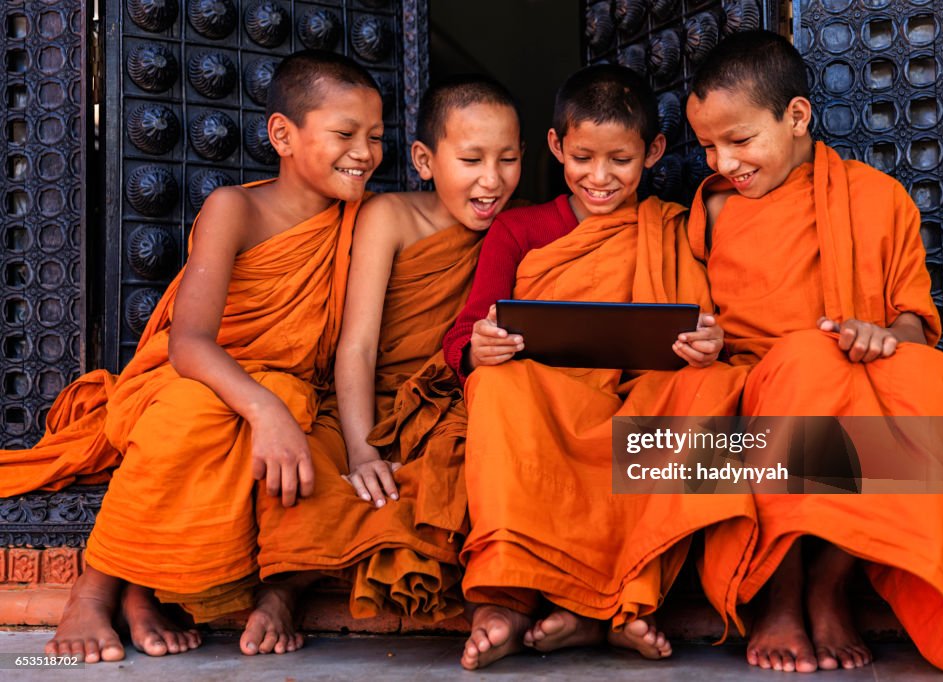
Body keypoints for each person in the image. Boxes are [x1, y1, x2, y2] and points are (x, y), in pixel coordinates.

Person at [0, 50, 384, 662]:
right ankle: (95, 592)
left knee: (324, 467)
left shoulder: (364, 222)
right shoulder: (237, 208)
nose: (364, 152)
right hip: (197, 378)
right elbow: (190, 343)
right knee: (190, 416)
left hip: (295, 392)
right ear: (282, 134)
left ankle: (180, 590)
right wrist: (264, 409)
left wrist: (279, 409)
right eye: (345, 134)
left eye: (375, 137)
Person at [685, 29, 943, 673]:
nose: (724, 163)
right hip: (755, 382)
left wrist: (882, 336)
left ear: (796, 116)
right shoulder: (712, 212)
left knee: (925, 375)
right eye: (708, 146)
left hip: (858, 371)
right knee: (802, 364)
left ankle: (829, 584)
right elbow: (689, 312)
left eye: (739, 140)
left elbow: (915, 325)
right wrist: (702, 338)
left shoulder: (878, 198)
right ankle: (781, 592)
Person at [443, 64, 752, 670]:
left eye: (621, 160)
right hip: (548, 402)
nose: (600, 177)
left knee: (713, 387)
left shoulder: (672, 227)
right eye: (583, 157)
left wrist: (706, 345)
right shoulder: (520, 229)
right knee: (499, 385)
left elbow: (702, 322)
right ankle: (507, 599)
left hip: (639, 400)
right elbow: (465, 330)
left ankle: (621, 600)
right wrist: (477, 348)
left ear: (654, 152)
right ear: (557, 146)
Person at [253, 75, 522, 623]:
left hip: (451, 408)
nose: (491, 180)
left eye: (509, 159)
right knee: (307, 476)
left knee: (463, 474)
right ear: (424, 160)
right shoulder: (392, 217)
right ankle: (283, 591)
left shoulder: (519, 231)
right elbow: (358, 346)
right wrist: (361, 450)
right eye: (471, 160)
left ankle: (490, 605)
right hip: (366, 407)